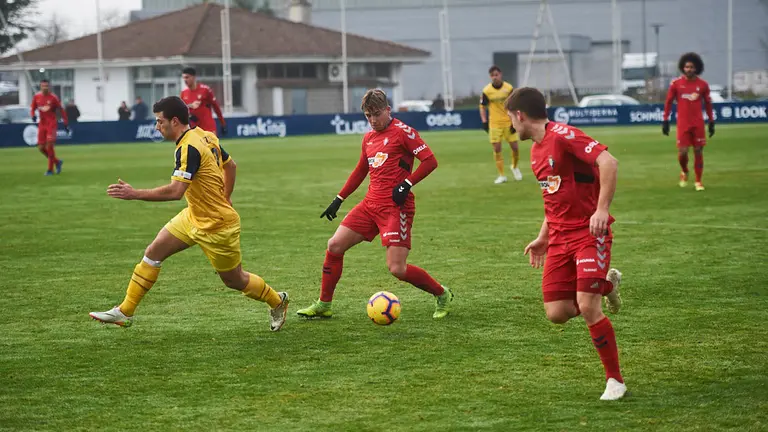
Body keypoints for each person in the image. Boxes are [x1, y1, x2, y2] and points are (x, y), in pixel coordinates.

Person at [89, 96, 289, 331]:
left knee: (235, 280)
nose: (156, 126)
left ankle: (277, 301)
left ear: (174, 121)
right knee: (153, 253)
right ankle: (125, 312)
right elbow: (231, 166)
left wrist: (135, 194)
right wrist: (226, 196)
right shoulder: (205, 135)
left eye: (159, 121)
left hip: (217, 227)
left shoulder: (188, 147)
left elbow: (175, 192)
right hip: (193, 215)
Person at [504, 87, 626, 400]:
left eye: (511, 119)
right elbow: (554, 197)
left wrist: (601, 210)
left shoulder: (564, 135)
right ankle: (606, 284)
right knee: (556, 313)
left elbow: (609, 162)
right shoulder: (535, 151)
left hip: (589, 233)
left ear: (520, 115)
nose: (511, 127)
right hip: (558, 237)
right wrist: (544, 236)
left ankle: (615, 381)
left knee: (587, 306)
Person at [297, 89, 453, 319]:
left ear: (388, 110)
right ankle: (324, 304)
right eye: (368, 115)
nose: (372, 120)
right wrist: (339, 199)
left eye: (376, 114)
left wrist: (407, 184)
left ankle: (441, 293)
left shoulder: (404, 133)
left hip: (395, 207)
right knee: (334, 246)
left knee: (397, 269)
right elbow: (361, 170)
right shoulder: (368, 138)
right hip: (370, 205)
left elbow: (430, 161)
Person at [662, 52, 715, 191]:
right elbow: (668, 102)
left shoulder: (703, 85)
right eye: (687, 67)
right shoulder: (676, 84)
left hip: (698, 123)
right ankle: (684, 171)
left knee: (698, 151)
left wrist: (711, 121)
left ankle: (698, 181)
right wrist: (665, 120)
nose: (689, 69)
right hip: (683, 124)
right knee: (683, 152)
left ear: (696, 68)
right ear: (683, 68)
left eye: (691, 67)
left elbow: (708, 104)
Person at [480, 65, 522, 184]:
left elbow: (515, 105)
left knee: (515, 148)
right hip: (495, 124)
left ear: (500, 75)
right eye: (492, 75)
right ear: (490, 77)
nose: (495, 77)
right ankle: (501, 175)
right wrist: (484, 121)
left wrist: (516, 121)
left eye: (496, 75)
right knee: (497, 149)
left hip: (508, 122)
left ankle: (514, 167)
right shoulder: (487, 91)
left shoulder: (508, 88)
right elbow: (482, 107)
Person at [30, 79, 68, 176]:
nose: (45, 88)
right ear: (40, 87)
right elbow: (33, 108)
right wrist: (32, 115)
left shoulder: (53, 98)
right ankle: (57, 162)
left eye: (47, 86)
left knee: (49, 146)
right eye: (43, 86)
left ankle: (50, 170)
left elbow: (61, 109)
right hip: (42, 124)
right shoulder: (37, 97)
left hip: (51, 124)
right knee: (41, 148)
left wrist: (65, 122)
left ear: (49, 87)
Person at [180, 67, 227, 136]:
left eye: (187, 77)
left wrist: (223, 123)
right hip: (194, 129)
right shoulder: (184, 93)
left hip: (208, 128)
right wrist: (190, 108)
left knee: (211, 147)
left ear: (193, 77)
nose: (185, 80)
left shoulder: (205, 90)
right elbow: (181, 110)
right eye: (183, 78)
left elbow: (216, 107)